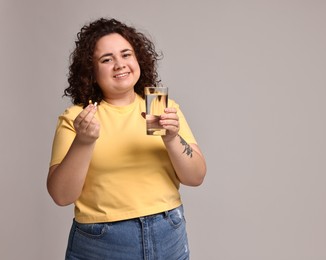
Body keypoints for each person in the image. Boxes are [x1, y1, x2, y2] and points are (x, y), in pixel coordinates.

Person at [47, 17, 206, 260]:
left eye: (126, 54)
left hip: (167, 234)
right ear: (91, 70)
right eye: (107, 59)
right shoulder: (79, 118)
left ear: (138, 58)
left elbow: (196, 177)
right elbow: (61, 195)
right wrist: (84, 141)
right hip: (101, 242)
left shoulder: (160, 107)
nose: (119, 64)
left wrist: (172, 138)